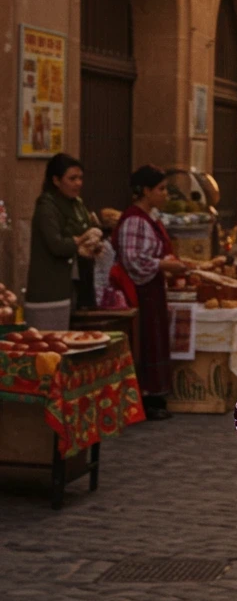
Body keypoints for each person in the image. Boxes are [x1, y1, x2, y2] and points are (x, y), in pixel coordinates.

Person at [114, 165, 187, 420]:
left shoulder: (151, 217)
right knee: (144, 340)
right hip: (139, 290)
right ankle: (144, 397)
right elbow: (133, 259)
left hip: (153, 288)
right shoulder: (134, 219)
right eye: (161, 189)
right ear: (145, 191)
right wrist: (162, 265)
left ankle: (155, 396)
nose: (165, 194)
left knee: (155, 339)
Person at [25, 153, 97, 330]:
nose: (78, 183)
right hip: (50, 292)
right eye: (72, 179)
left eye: (80, 178)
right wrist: (80, 240)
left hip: (75, 288)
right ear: (56, 180)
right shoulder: (46, 206)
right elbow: (56, 245)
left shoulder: (77, 204)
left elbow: (84, 231)